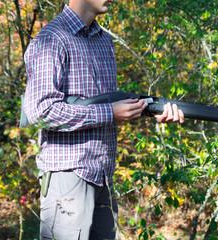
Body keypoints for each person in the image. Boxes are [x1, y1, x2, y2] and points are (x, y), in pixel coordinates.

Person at [23, 0, 184, 239]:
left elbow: (108, 103)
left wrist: (150, 110)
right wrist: (110, 112)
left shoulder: (104, 40)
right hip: (68, 175)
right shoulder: (52, 39)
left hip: (103, 175)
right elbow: (41, 111)